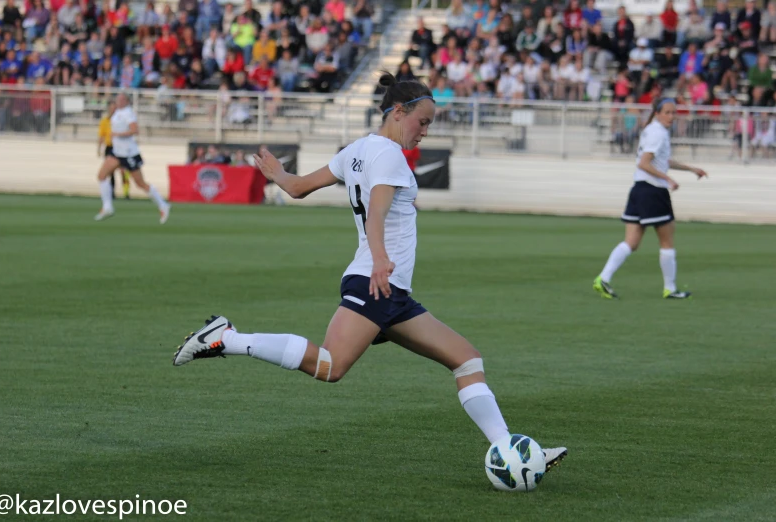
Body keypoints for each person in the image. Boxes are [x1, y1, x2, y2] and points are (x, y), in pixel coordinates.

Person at [173, 72, 568, 473]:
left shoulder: (357, 150)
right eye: (423, 122)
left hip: (388, 288)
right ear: (398, 112)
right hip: (376, 280)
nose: (425, 132)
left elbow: (297, 189)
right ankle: (226, 338)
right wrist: (380, 258)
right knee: (330, 366)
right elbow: (377, 212)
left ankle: (510, 452)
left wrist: (279, 176)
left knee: (467, 360)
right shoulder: (390, 156)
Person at [594, 98, 708, 300]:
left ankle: (603, 278)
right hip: (653, 191)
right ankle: (670, 289)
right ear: (657, 113)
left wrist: (691, 169)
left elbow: (661, 160)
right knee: (667, 240)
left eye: (674, 113)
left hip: (639, 189)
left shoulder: (652, 130)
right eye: (668, 112)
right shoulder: (657, 132)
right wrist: (668, 179)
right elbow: (644, 163)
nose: (672, 116)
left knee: (631, 242)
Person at [94, 93, 171, 224]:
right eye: (117, 99)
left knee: (140, 183)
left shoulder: (128, 113)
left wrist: (117, 134)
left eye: (120, 99)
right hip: (117, 152)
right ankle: (107, 207)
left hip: (129, 153)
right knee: (102, 175)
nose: (117, 101)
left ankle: (163, 205)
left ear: (126, 101)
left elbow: (135, 130)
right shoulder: (117, 112)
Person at [97, 100, 131, 200]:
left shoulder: (122, 120)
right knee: (110, 172)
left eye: (115, 108)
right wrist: (99, 148)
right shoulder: (105, 121)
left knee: (124, 170)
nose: (113, 110)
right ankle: (112, 192)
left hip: (120, 147)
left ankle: (126, 192)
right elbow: (101, 136)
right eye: (111, 108)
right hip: (109, 147)